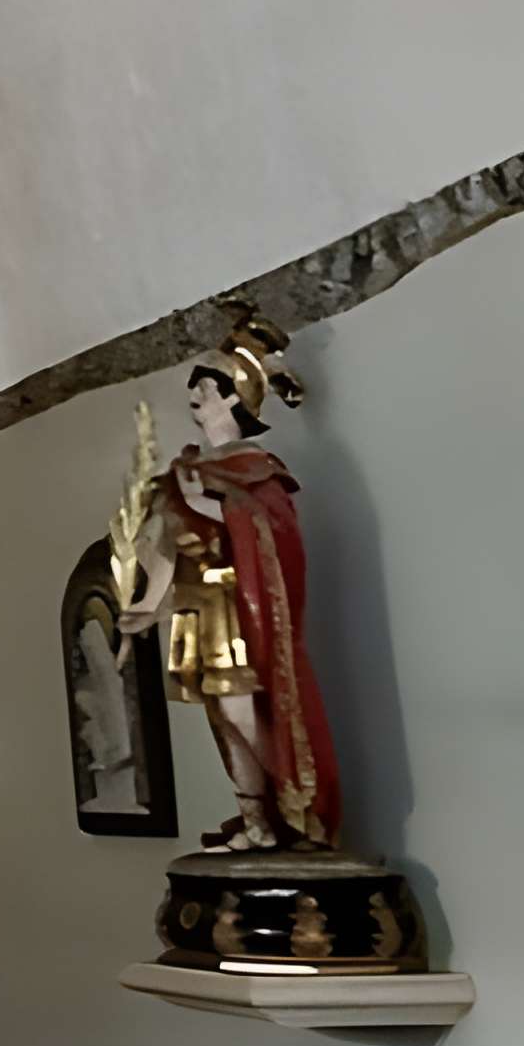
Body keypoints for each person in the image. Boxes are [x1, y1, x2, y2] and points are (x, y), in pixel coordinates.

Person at [117, 317, 335, 852]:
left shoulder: (257, 468)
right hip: (197, 606)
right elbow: (170, 544)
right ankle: (256, 821)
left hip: (238, 605)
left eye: (208, 388)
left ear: (234, 398)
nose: (195, 395)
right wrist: (148, 603)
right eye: (195, 387)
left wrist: (202, 501)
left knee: (241, 710)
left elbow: (269, 531)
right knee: (221, 715)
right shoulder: (187, 470)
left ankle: (295, 800)